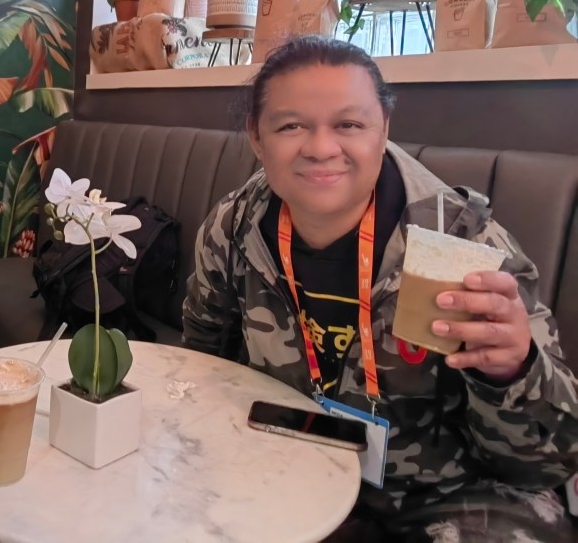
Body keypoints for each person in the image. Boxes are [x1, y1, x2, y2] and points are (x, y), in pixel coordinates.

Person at [183, 35, 578, 541]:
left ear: (384, 129)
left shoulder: (463, 245)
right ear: (257, 137)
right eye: (291, 126)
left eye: (349, 125)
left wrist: (512, 371)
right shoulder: (235, 229)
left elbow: (548, 462)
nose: (321, 149)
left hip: (443, 496)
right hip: (289, 467)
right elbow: (204, 363)